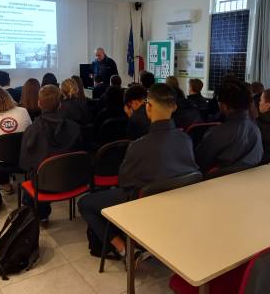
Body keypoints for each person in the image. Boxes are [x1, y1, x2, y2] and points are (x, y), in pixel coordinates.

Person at [78, 83, 199, 258]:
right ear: (174, 107)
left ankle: (124, 250)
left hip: (143, 201)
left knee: (85, 203)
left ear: (148, 107)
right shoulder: (186, 139)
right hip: (175, 203)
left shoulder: (138, 146)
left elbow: (124, 182)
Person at [20, 85, 83, 222]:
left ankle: (39, 215)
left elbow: (24, 164)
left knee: (32, 177)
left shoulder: (32, 130)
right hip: (72, 180)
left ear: (39, 103)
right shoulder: (74, 127)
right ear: (60, 105)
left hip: (44, 186)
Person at [195, 81, 263, 175]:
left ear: (223, 106)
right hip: (248, 180)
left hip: (217, 182)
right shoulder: (256, 129)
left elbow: (199, 163)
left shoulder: (216, 133)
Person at [0, 86, 32, 194]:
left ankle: (5, 185)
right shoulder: (23, 111)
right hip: (24, 155)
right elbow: (30, 130)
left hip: (1, 159)